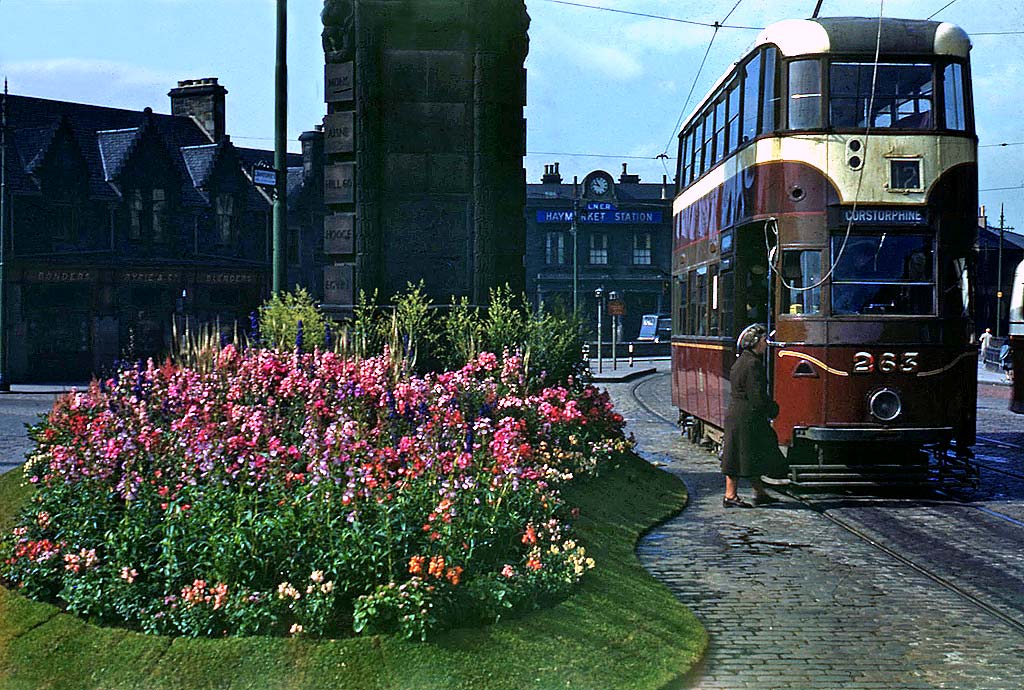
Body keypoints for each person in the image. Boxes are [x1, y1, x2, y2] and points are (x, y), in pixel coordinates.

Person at [720, 323, 784, 508]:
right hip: (747, 416)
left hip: (739, 414)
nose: (766, 344)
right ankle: (730, 495)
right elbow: (757, 396)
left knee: (747, 454)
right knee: (741, 454)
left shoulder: (742, 361)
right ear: (756, 342)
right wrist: (772, 409)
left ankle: (759, 493)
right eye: (764, 340)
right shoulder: (753, 364)